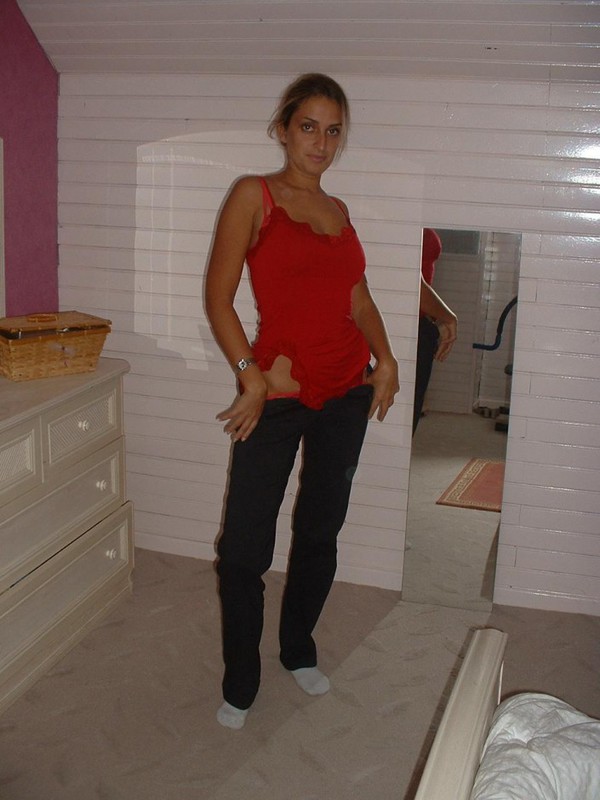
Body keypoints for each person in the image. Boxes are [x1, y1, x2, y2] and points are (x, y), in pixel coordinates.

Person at [204, 73, 399, 730]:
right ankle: (241, 679)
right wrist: (250, 377)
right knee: (242, 549)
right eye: (309, 126)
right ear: (283, 129)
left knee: (320, 530)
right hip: (278, 397)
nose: (321, 142)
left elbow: (358, 298)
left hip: (346, 392)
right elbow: (218, 298)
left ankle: (298, 648)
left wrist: (387, 359)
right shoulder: (253, 196)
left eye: (333, 130)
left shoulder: (339, 210)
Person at [412, 228, 458, 434]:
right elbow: (412, 284)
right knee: (406, 414)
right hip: (409, 329)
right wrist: (449, 317)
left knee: (410, 412)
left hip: (421, 325)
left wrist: (437, 315)